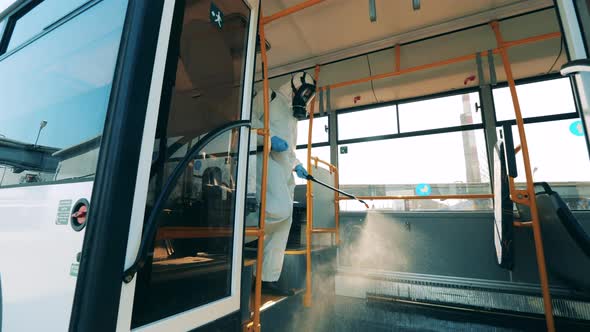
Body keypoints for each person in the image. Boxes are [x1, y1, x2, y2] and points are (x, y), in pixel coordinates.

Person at [249, 72, 316, 294]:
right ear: (295, 86)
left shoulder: (292, 117)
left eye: (309, 96)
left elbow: (289, 148)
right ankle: (243, 239)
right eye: (304, 93)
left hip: (284, 168)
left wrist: (297, 164)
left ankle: (266, 279)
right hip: (262, 160)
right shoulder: (268, 96)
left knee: (284, 222)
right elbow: (246, 122)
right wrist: (266, 139)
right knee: (279, 210)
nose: (305, 99)